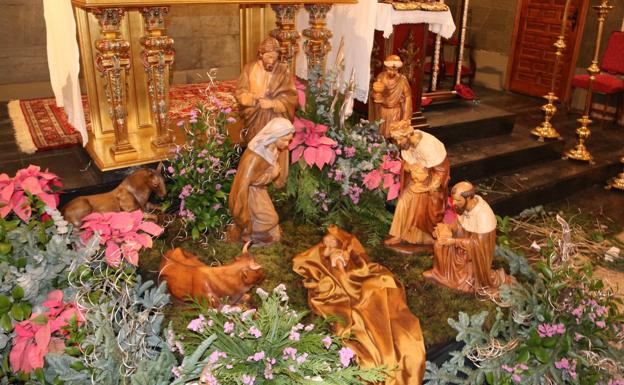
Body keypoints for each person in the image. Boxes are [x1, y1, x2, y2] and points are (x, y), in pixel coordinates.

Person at [293, 225, 426, 385]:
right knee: (366, 335)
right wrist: (330, 261)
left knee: (403, 338)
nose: (329, 245)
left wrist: (347, 264)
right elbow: (305, 263)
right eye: (326, 243)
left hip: (367, 291)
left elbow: (367, 272)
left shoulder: (356, 260)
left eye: (334, 242)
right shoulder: (323, 261)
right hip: (348, 299)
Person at [423, 181, 510, 293]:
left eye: (458, 200)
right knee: (439, 244)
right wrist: (445, 229)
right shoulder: (462, 207)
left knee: (450, 250)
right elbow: (459, 224)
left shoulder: (483, 215)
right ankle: (440, 274)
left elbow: (478, 244)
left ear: (468, 198)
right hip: (461, 244)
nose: (454, 203)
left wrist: (453, 241)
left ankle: (459, 281)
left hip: (474, 254)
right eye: (453, 199)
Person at [228, 117, 294, 245]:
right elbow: (248, 180)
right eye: (285, 140)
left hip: (260, 190)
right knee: (270, 219)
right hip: (251, 191)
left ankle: (257, 234)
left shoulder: (273, 148)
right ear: (275, 136)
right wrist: (272, 175)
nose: (287, 145)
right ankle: (250, 234)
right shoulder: (255, 156)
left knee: (269, 218)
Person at [385, 120, 450, 246]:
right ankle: (399, 234)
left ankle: (427, 236)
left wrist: (431, 185)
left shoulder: (428, 146)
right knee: (403, 203)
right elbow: (407, 163)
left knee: (430, 208)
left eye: (400, 139)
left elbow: (441, 170)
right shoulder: (407, 145)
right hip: (416, 179)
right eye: (396, 140)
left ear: (408, 135)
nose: (398, 143)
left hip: (432, 181)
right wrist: (410, 168)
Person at [235, 37, 298, 144]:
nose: (272, 61)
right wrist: (253, 98)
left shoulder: (283, 70)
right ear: (261, 54)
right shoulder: (249, 69)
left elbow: (291, 98)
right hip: (253, 116)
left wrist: (273, 104)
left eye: (275, 58)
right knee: (255, 146)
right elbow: (240, 92)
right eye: (269, 57)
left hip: (275, 117)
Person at [371, 55, 413, 139]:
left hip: (396, 111)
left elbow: (408, 96)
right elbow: (374, 92)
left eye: (395, 70)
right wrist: (376, 96)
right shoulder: (381, 77)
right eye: (390, 69)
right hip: (383, 110)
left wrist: (405, 117)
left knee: (394, 135)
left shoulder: (402, 79)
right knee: (381, 134)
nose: (393, 73)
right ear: (386, 67)